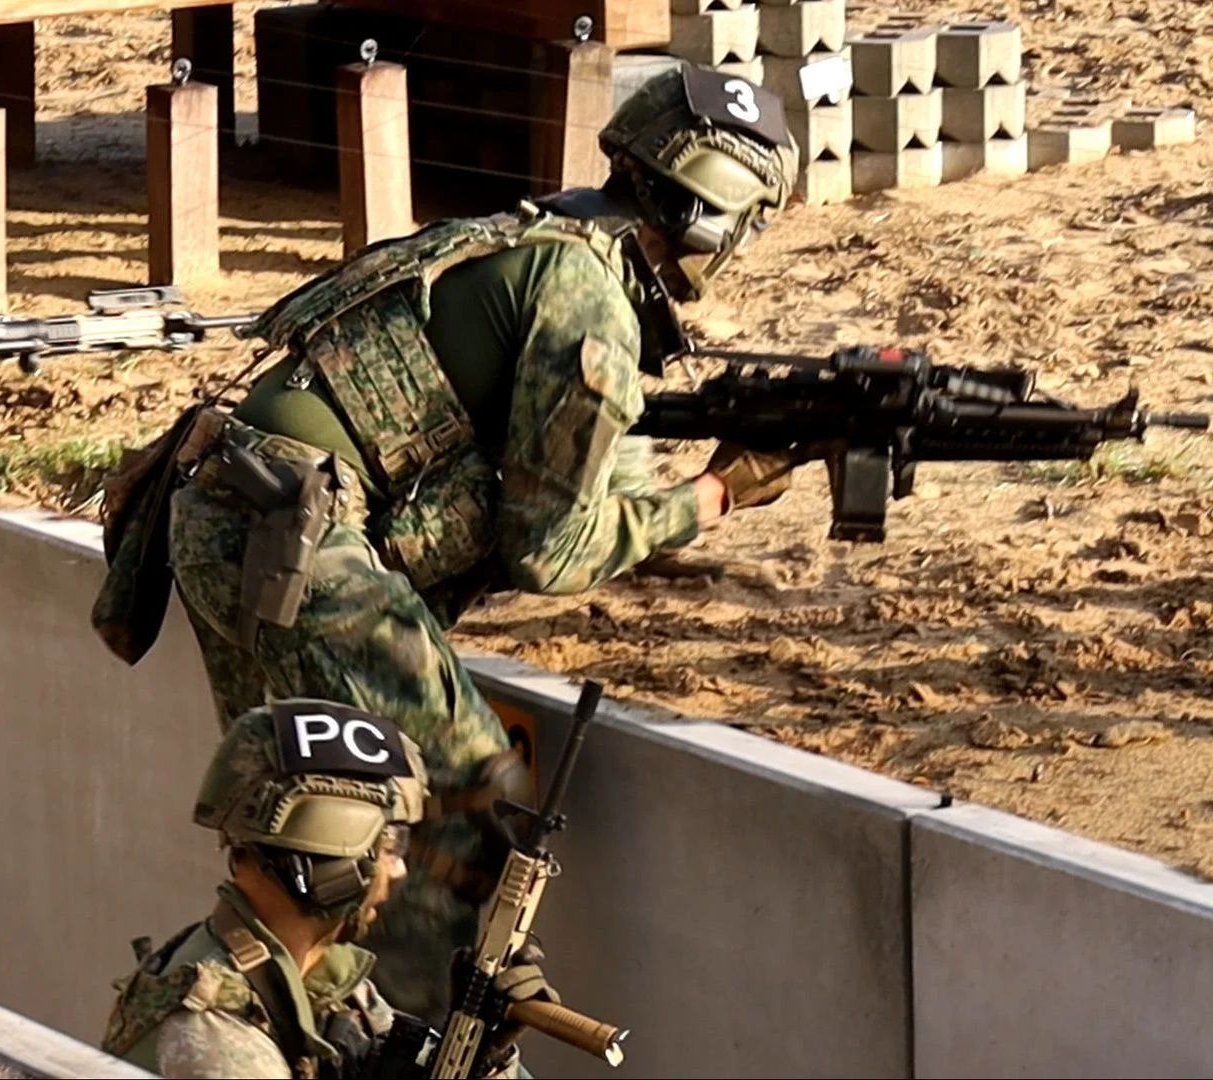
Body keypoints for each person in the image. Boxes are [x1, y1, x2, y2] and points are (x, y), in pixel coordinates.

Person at [92, 65, 822, 1020]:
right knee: (466, 788)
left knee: (319, 830)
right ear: (710, 218)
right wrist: (718, 494)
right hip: (295, 540)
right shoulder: (591, 304)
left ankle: (302, 1031)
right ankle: (432, 1024)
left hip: (238, 516)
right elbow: (549, 551)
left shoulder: (548, 235)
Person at [103, 700, 553, 1078]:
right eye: (389, 845)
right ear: (326, 861)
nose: (398, 871)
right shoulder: (215, 1048)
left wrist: (483, 1055)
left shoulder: (316, 975)